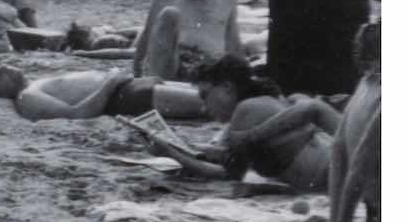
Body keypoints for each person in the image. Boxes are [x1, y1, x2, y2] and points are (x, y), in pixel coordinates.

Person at [144, 55, 338, 192]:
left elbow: (229, 176)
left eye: (205, 96)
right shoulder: (267, 100)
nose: (204, 107)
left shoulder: (246, 110)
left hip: (333, 178)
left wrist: (171, 154)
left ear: (227, 87)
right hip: (335, 172)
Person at [0, 64, 206, 121]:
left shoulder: (33, 84)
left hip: (131, 86)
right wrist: (111, 82)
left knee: (210, 94)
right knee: (210, 103)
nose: (5, 70)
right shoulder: (26, 98)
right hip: (126, 97)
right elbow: (77, 115)